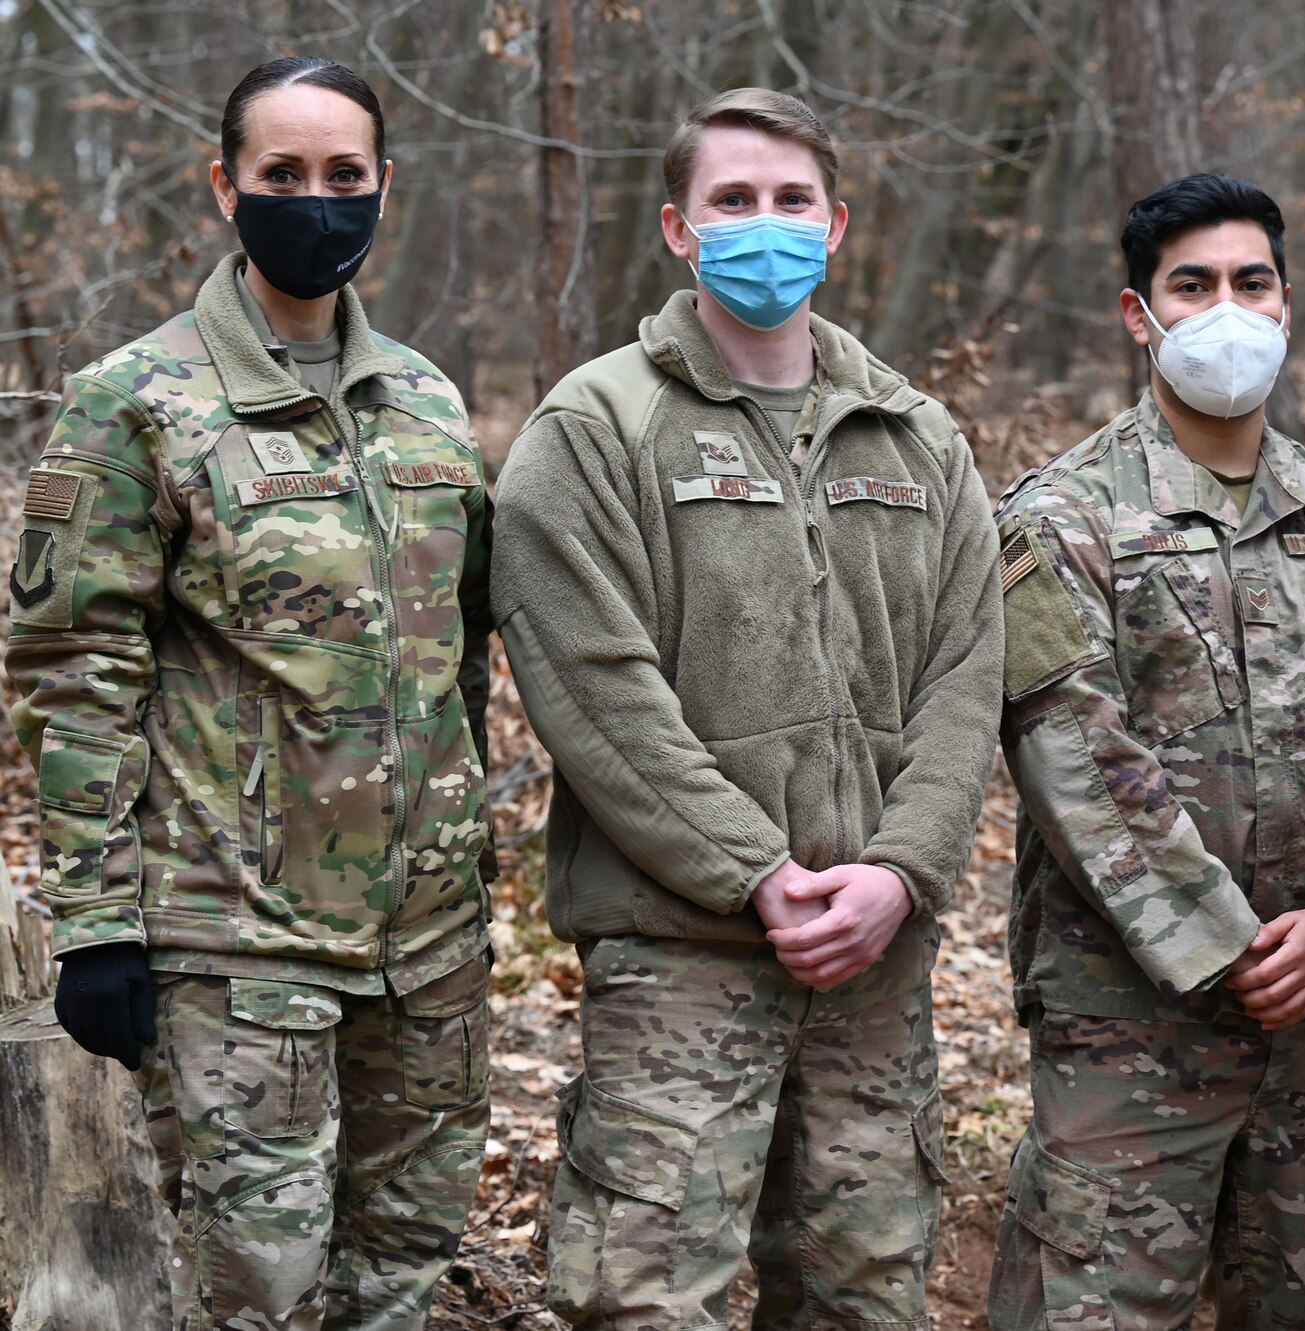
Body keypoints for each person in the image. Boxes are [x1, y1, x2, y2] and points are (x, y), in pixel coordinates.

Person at [489, 88, 1003, 1328]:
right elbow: (592, 686)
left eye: (788, 202)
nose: (760, 225)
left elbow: (967, 671)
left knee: (864, 1292)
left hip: (874, 959)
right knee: (651, 1297)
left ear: (834, 228)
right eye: (732, 201)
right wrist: (753, 870)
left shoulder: (916, 434)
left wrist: (901, 868)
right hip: (680, 953)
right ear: (679, 227)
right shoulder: (596, 426)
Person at [5, 56, 494, 1328]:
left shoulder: (427, 401)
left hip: (427, 944)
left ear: (386, 183)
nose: (316, 201)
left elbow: (457, 658)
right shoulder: (136, 403)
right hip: (238, 941)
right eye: (282, 175)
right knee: (259, 1294)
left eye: (345, 175)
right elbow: (73, 671)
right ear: (224, 185)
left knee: (406, 1268)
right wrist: (97, 919)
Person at [986, 174, 1305, 1331]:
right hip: (1128, 1034)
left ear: (1286, 305)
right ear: (1138, 316)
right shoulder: (1058, 520)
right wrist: (1220, 943)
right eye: (1191, 286)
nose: (1225, 309)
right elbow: (1074, 755)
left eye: (1250, 282)